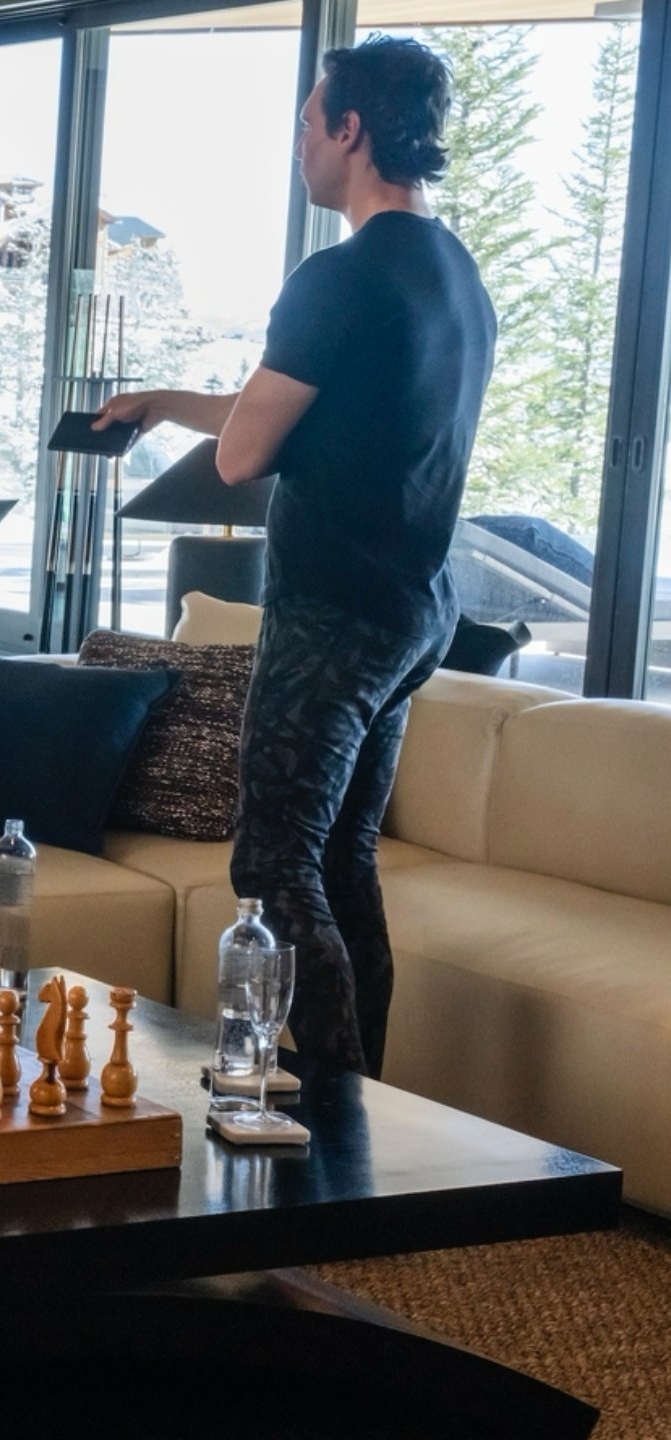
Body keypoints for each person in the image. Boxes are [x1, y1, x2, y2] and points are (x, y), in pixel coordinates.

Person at [95, 36, 491, 1078]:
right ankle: (370, 1111)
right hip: (412, 608)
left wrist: (213, 424)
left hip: (330, 615)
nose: (299, 148)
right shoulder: (451, 272)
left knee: (271, 866)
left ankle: (332, 1116)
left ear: (349, 130)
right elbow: (299, 409)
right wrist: (160, 403)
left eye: (306, 127)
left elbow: (243, 456)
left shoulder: (336, 277)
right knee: (340, 859)